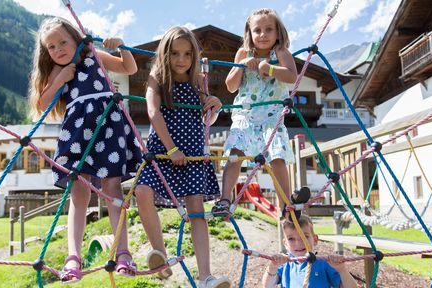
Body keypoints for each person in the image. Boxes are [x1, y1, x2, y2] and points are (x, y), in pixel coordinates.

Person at [28, 17, 142, 283]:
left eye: (62, 42)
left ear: (76, 39)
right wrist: (59, 81)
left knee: (112, 189)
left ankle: (123, 253)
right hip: (79, 132)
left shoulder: (93, 54)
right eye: (51, 47)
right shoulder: (59, 71)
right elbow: (42, 104)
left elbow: (129, 68)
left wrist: (122, 47)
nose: (58, 50)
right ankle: (73, 258)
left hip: (108, 125)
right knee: (79, 192)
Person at [134, 26, 231, 288]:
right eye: (175, 53)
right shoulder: (158, 78)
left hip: (192, 156)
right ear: (165, 54)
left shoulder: (197, 80)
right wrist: (171, 149)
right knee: (142, 192)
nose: (181, 60)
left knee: (196, 211)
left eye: (187, 54)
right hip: (162, 152)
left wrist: (215, 106)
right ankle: (160, 256)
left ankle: (205, 276)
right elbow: (153, 111)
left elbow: (206, 119)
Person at [215, 8, 298, 217]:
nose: (262, 34)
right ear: (249, 33)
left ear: (278, 33)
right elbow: (230, 86)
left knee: (277, 157)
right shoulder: (244, 53)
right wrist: (242, 66)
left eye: (269, 29)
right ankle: (225, 199)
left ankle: (285, 205)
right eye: (257, 30)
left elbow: (292, 76)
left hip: (271, 117)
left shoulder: (280, 53)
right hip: (246, 116)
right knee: (235, 153)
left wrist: (269, 68)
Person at [262, 215, 358, 288]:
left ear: (315, 240)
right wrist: (273, 266)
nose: (298, 243)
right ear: (285, 243)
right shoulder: (285, 264)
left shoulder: (323, 263)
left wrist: (342, 270)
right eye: (291, 238)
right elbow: (267, 285)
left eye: (305, 237)